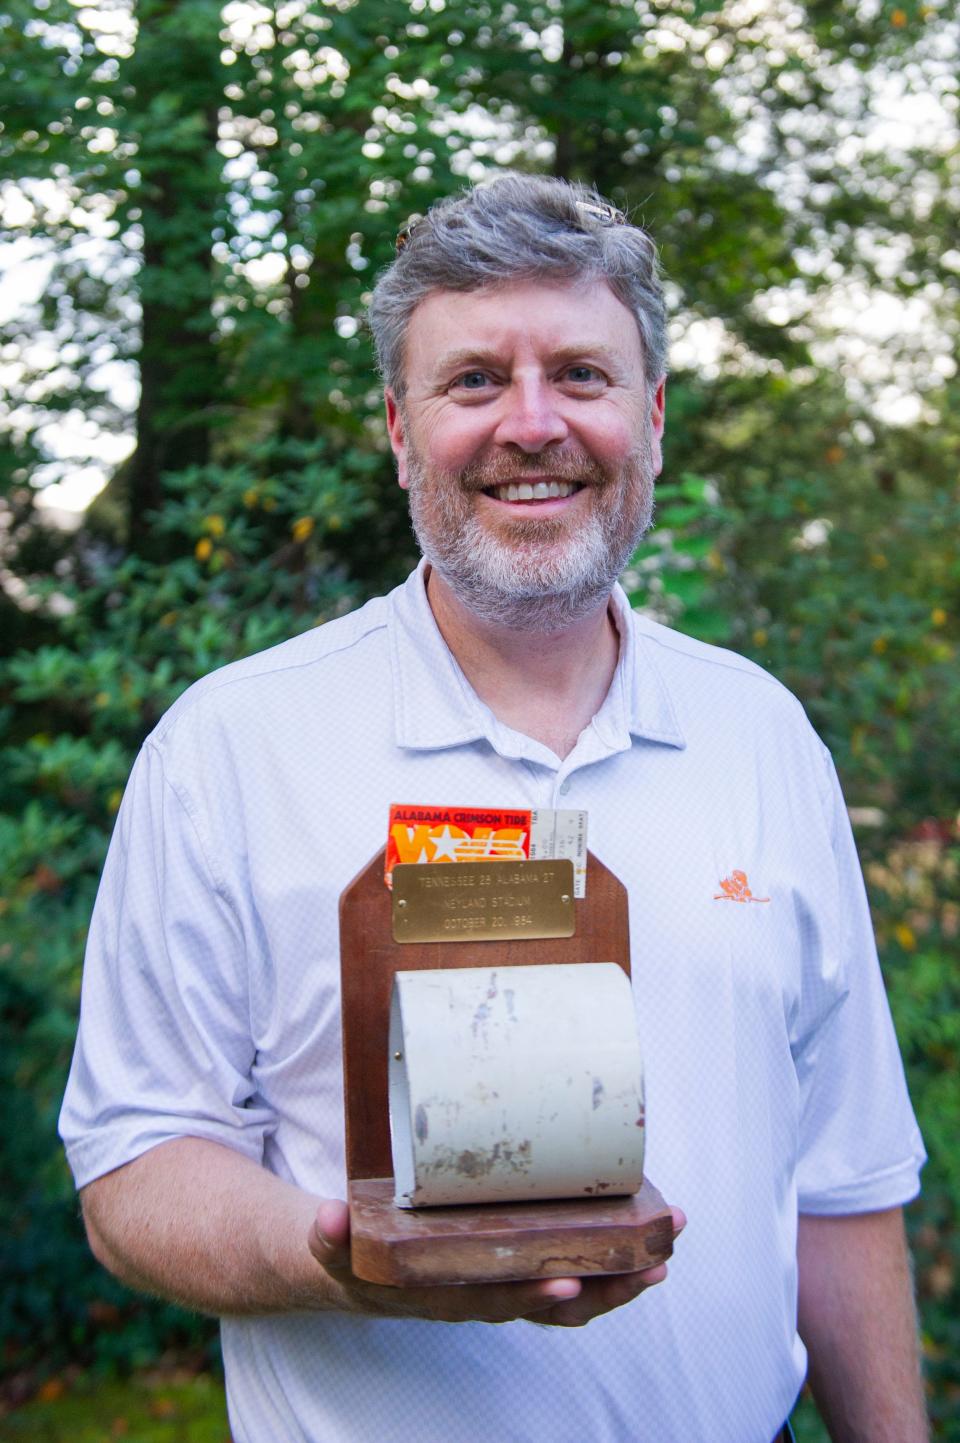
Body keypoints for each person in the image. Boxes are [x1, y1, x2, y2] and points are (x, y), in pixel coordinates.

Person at [60, 175, 928, 1443]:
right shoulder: (230, 749)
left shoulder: (762, 736)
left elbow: (845, 1182)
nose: (534, 425)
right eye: (473, 383)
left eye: (582, 374)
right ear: (402, 434)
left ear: (655, 415)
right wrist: (332, 1256)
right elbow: (135, 1167)